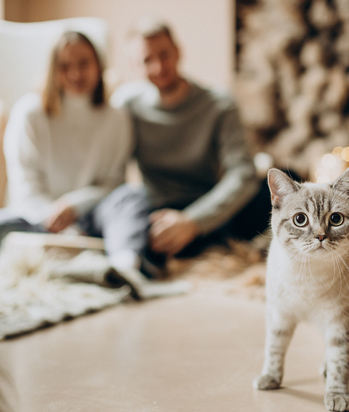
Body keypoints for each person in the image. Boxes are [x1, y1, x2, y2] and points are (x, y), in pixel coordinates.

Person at [111, 21, 270, 272]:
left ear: (178, 51)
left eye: (164, 54)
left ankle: (203, 241)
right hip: (157, 212)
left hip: (209, 208)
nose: (159, 66)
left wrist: (192, 222)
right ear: (133, 66)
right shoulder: (125, 105)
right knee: (125, 215)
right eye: (146, 60)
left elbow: (243, 174)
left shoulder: (219, 104)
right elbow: (111, 167)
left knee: (276, 187)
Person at [1, 31, 132, 244]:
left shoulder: (117, 118)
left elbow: (114, 185)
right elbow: (24, 188)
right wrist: (57, 219)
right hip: (34, 218)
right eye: (65, 66)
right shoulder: (29, 114)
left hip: (92, 218)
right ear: (53, 70)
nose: (75, 74)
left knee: (131, 202)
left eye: (83, 64)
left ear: (99, 65)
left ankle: (125, 261)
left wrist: (74, 206)